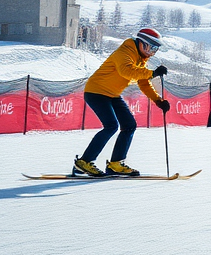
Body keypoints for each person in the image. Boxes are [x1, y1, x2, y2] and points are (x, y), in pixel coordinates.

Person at [73, 28, 170, 177]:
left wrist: (158, 100)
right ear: (144, 44)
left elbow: (143, 82)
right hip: (96, 92)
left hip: (112, 94)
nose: (154, 52)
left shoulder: (140, 58)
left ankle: (116, 164)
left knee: (129, 125)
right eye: (154, 47)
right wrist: (153, 73)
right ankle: (84, 163)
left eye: (157, 49)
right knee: (111, 126)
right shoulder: (125, 52)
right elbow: (127, 71)